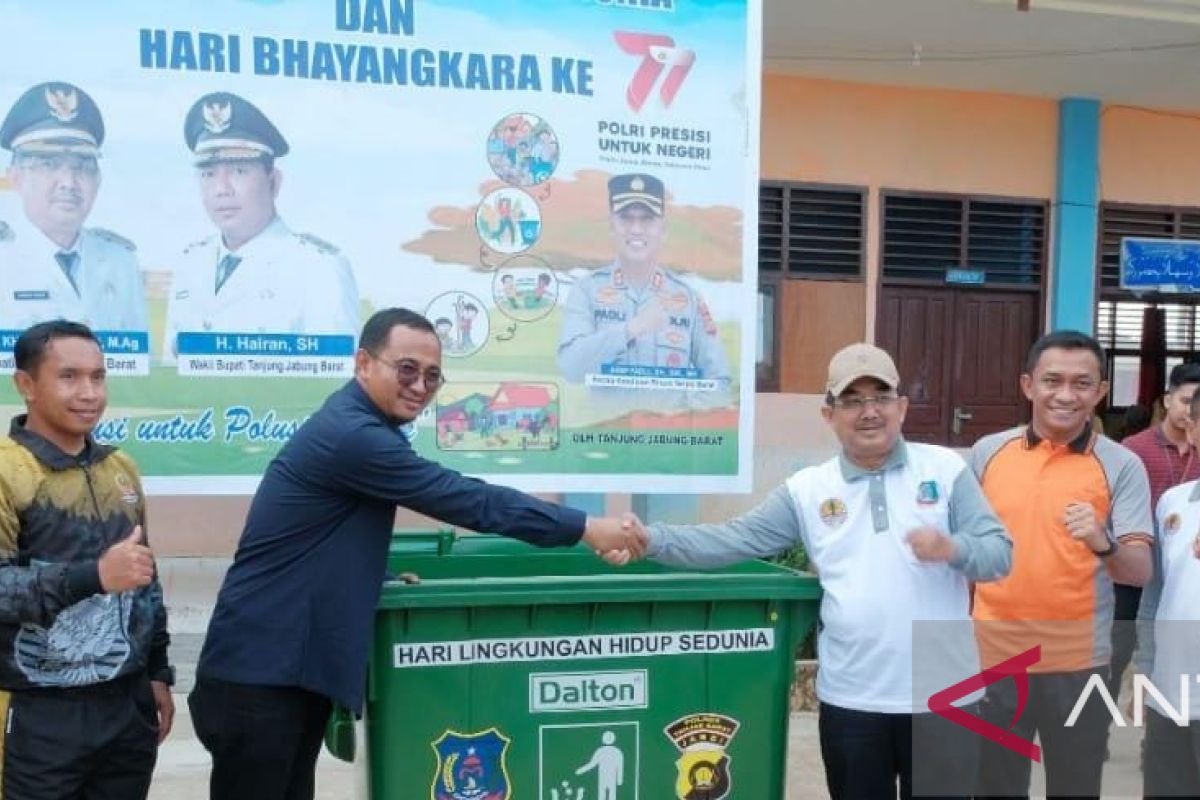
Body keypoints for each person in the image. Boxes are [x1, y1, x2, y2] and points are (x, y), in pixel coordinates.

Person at [188, 307, 643, 800]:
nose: (420, 386)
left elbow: (315, 536)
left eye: (432, 375)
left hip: (283, 676)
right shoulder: (354, 438)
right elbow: (469, 500)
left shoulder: (361, 428)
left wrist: (370, 575)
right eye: (406, 369)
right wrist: (584, 527)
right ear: (364, 363)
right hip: (259, 680)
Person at [616, 343, 1012, 799]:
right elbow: (733, 540)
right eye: (852, 400)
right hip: (853, 702)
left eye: (880, 397)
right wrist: (654, 540)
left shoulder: (946, 470)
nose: (869, 412)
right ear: (829, 415)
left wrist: (953, 547)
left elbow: (999, 554)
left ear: (901, 407)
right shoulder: (807, 490)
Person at [970, 330, 1153, 797]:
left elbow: (1139, 570)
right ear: (1028, 385)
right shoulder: (988, 454)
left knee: (1075, 787)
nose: (1066, 395)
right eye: (1053, 380)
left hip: (1079, 664)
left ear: (1101, 392)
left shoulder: (1122, 465)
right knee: (995, 787)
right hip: (994, 660)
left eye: (1082, 383)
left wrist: (1102, 542)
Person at [0, 320, 173, 798]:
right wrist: (94, 576)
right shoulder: (8, 470)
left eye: (98, 377)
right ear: (26, 385)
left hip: (127, 704)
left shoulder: (121, 468)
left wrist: (158, 672)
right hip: (40, 710)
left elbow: (145, 581)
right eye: (70, 376)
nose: (89, 392)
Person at [162, 91, 360, 360]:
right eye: (208, 174)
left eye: (239, 171)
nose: (221, 189)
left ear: (273, 182)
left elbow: (336, 385)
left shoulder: (318, 268)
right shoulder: (190, 263)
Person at [556, 173, 732, 408]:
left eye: (647, 219)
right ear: (612, 226)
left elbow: (719, 381)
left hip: (667, 441)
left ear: (663, 229)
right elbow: (571, 367)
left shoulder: (687, 299)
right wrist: (630, 330)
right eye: (626, 218)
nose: (636, 229)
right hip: (606, 439)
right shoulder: (586, 290)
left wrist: (680, 418)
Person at [0, 82, 147, 332]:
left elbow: (140, 365)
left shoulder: (120, 260)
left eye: (80, 166)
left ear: (97, 180)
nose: (68, 183)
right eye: (49, 165)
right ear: (15, 177)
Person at [1113, 364, 1200, 707]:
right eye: (1185, 399)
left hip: (1177, 564)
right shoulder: (1134, 449)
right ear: (1168, 400)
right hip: (1139, 561)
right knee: (1119, 650)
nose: (1188, 408)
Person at [1135, 388, 1200, 797]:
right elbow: (1154, 598)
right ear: (1191, 430)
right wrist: (1145, 671)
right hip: (1173, 695)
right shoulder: (1173, 505)